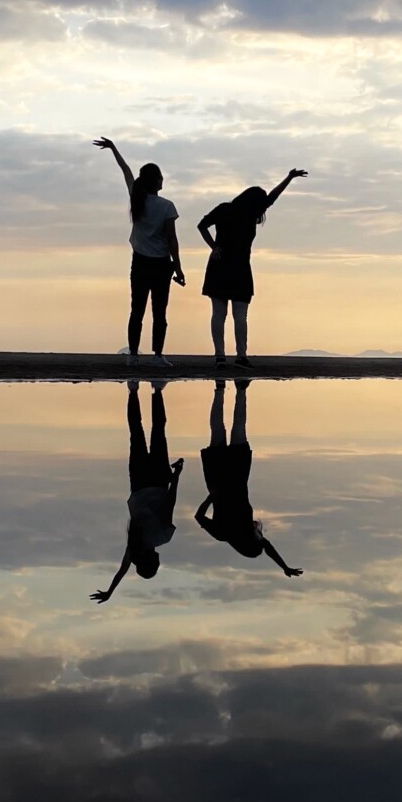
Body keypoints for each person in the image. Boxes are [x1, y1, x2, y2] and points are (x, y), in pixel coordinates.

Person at [195, 378, 303, 578]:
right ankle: (227, 390)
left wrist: (212, 497)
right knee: (224, 430)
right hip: (228, 477)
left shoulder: (224, 533)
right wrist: (284, 567)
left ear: (249, 539)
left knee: (229, 429)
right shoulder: (225, 535)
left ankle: (234, 390)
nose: (261, 534)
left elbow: (198, 517)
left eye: (259, 536)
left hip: (227, 477)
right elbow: (267, 547)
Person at [198, 168, 307, 367]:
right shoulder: (250, 214)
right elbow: (273, 197)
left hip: (219, 264)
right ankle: (241, 356)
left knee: (218, 314)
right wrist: (289, 178)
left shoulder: (224, 209)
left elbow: (202, 225)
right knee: (240, 316)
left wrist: (214, 246)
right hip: (240, 268)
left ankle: (220, 356)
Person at [94, 137, 185, 364]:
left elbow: (125, 170)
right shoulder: (166, 206)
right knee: (159, 312)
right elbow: (172, 240)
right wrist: (179, 268)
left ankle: (133, 356)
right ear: (156, 180)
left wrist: (113, 148)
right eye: (161, 177)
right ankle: (157, 355)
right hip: (162, 264)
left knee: (137, 310)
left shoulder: (137, 197)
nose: (163, 180)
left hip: (140, 262)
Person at [92, 380, 184, 602]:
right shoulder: (134, 546)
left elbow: (171, 502)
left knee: (158, 431)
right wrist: (109, 592)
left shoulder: (163, 536)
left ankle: (157, 391)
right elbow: (122, 570)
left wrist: (177, 476)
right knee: (136, 432)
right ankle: (133, 390)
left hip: (159, 480)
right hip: (139, 483)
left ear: (153, 561)